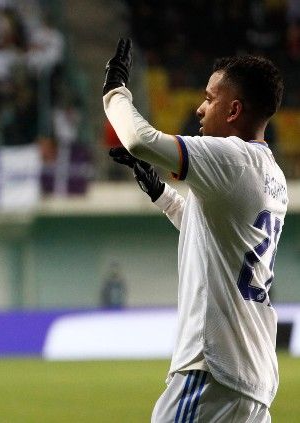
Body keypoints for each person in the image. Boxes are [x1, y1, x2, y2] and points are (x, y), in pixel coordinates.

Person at [104, 39, 286, 421]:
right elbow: (211, 234)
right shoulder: (272, 175)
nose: (199, 109)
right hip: (253, 382)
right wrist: (160, 192)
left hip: (211, 373)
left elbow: (139, 139)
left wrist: (115, 92)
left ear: (234, 109)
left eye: (209, 97)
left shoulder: (232, 156)